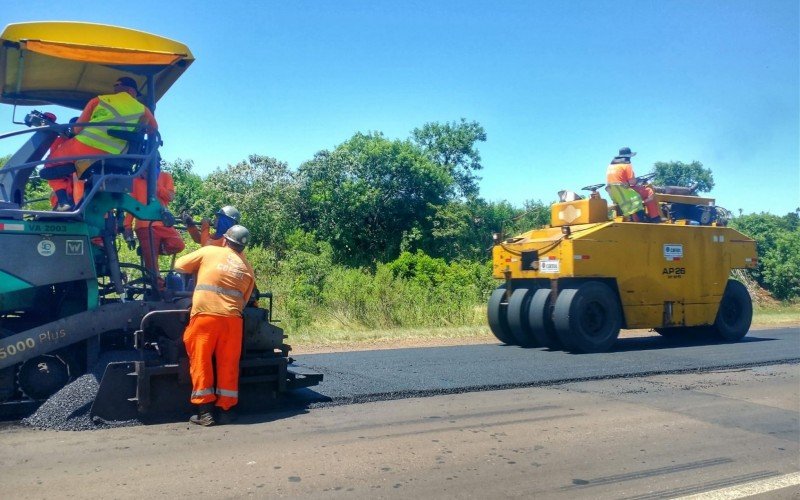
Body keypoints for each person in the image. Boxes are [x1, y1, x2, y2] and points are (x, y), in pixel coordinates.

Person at [174, 225, 255, 426]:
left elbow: (179, 265)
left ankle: (205, 414)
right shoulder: (247, 268)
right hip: (232, 321)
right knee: (228, 366)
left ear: (225, 241)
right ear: (242, 248)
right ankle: (226, 411)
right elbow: (244, 300)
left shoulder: (209, 251)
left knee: (201, 362)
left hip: (205, 318)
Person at [45, 76, 158, 211]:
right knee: (69, 166)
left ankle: (64, 202)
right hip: (115, 154)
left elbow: (76, 129)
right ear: (131, 91)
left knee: (50, 165)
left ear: (119, 89)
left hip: (84, 147)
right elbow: (154, 130)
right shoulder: (143, 110)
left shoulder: (99, 100)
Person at [123, 170, 185, 277]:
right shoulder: (135, 181)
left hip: (163, 223)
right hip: (144, 226)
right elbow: (131, 206)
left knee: (178, 244)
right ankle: (158, 287)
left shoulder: (165, 176)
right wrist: (127, 226)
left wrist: (153, 183)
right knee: (152, 264)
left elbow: (170, 197)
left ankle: (147, 250)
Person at [605, 147, 660, 222]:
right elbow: (632, 182)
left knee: (637, 191)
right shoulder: (627, 165)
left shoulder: (611, 166)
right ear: (628, 156)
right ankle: (655, 218)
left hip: (614, 192)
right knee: (648, 191)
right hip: (624, 190)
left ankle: (636, 216)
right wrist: (638, 180)